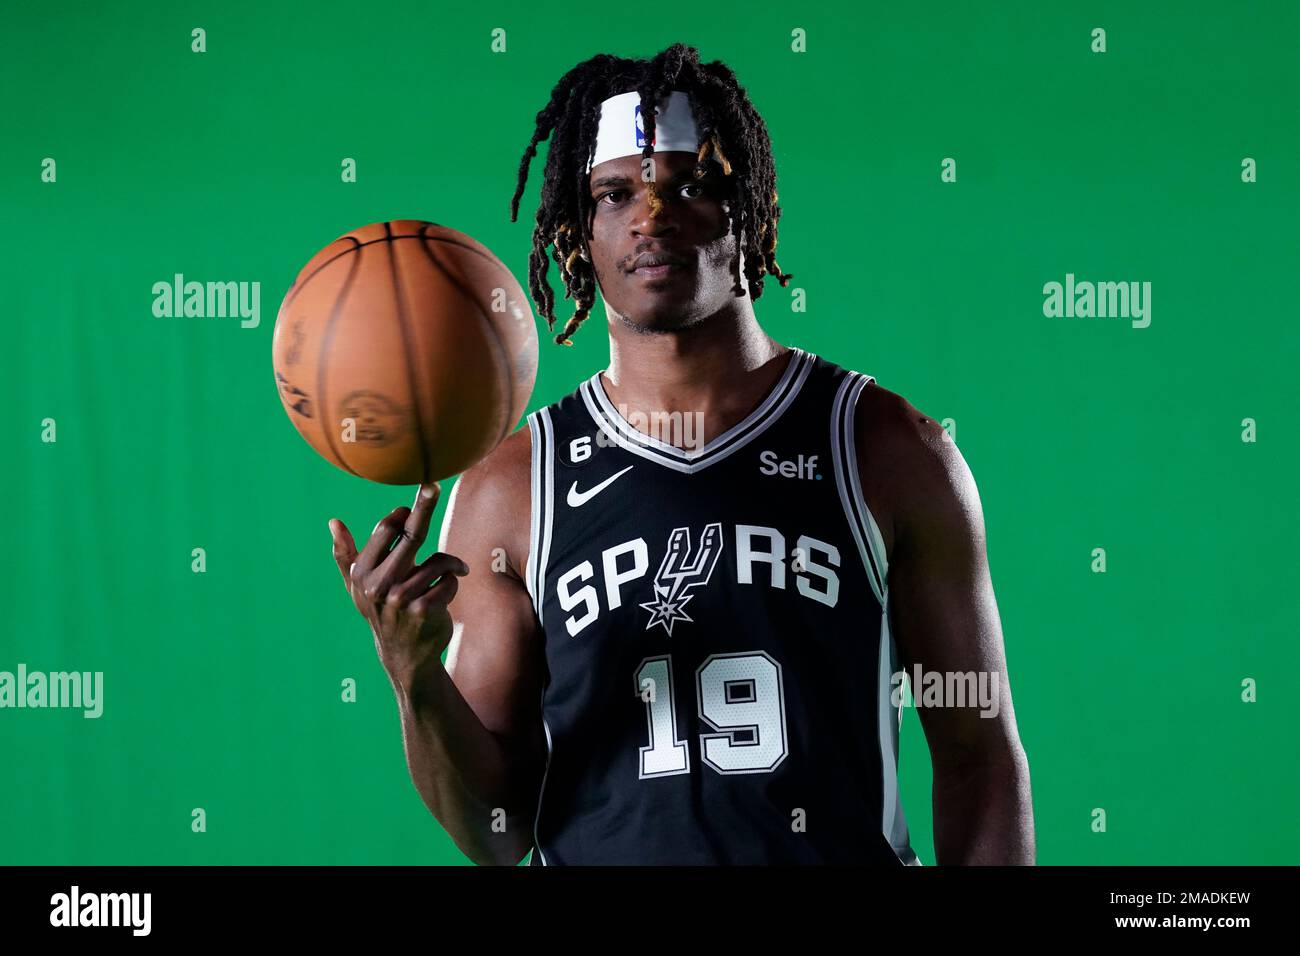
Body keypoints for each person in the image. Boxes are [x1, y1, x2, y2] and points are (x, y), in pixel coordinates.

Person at [327, 43, 1034, 865]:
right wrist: (413, 673)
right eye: (615, 193)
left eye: (692, 184)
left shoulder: (882, 445)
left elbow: (979, 757)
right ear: (574, 230)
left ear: (752, 209)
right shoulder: (512, 486)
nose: (652, 216)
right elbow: (496, 833)